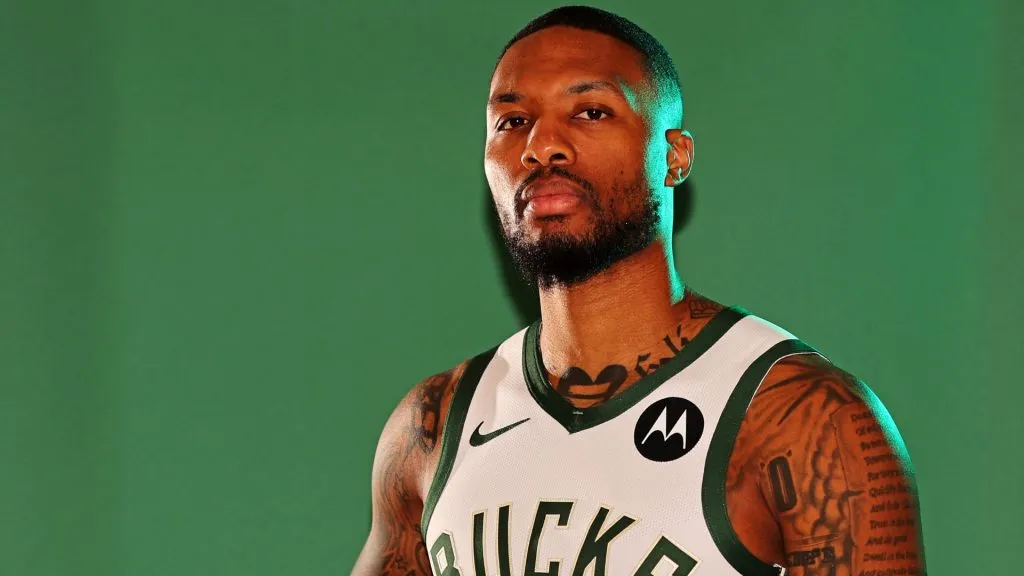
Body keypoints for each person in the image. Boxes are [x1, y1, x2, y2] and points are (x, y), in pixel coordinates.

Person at [352, 5, 925, 575]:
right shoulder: (433, 425)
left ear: (674, 158)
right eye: (512, 121)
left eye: (591, 111)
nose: (542, 146)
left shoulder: (801, 416)